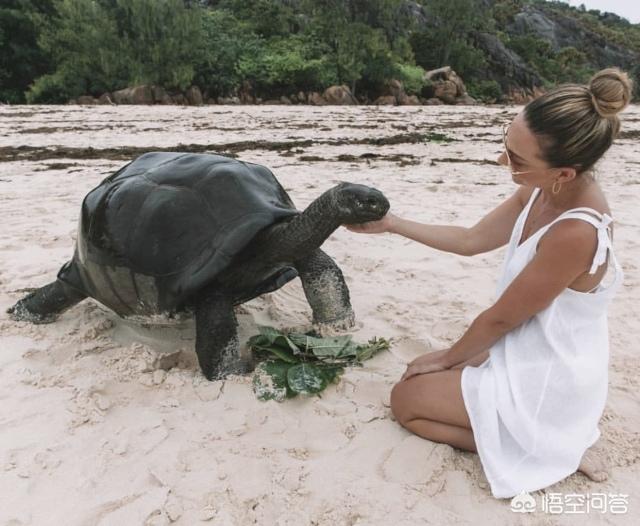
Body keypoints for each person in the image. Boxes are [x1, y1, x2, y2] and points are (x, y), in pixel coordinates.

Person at [345, 68, 632, 498]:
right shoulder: (542, 189)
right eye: (507, 145)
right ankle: (540, 440)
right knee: (414, 380)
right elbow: (470, 240)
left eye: (517, 160)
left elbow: (500, 319)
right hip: (528, 349)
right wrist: (391, 224)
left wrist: (448, 358)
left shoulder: (577, 231)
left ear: (565, 173)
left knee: (406, 402)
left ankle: (553, 449)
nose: (504, 163)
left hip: (551, 377)